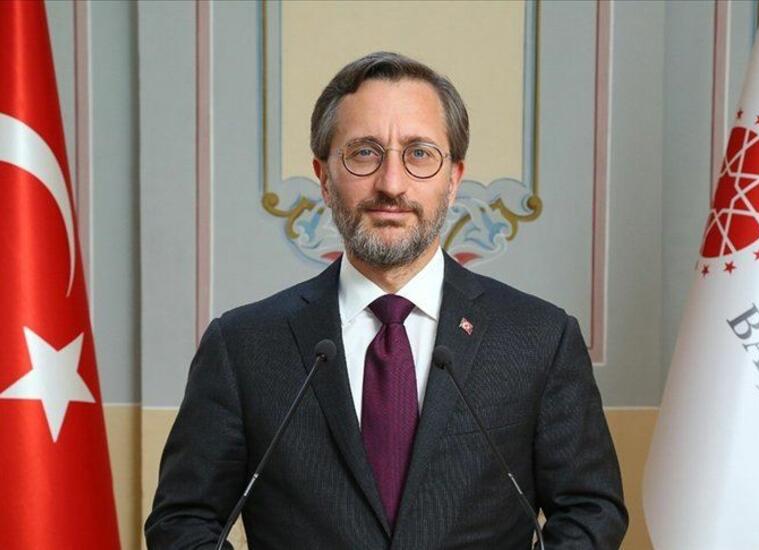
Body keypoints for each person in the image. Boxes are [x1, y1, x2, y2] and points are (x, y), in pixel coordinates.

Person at [145, 51, 628, 549]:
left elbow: (590, 511)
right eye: (363, 153)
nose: (391, 184)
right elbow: (183, 521)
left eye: (419, 154)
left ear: (454, 179)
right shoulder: (242, 345)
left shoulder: (540, 339)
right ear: (324, 178)